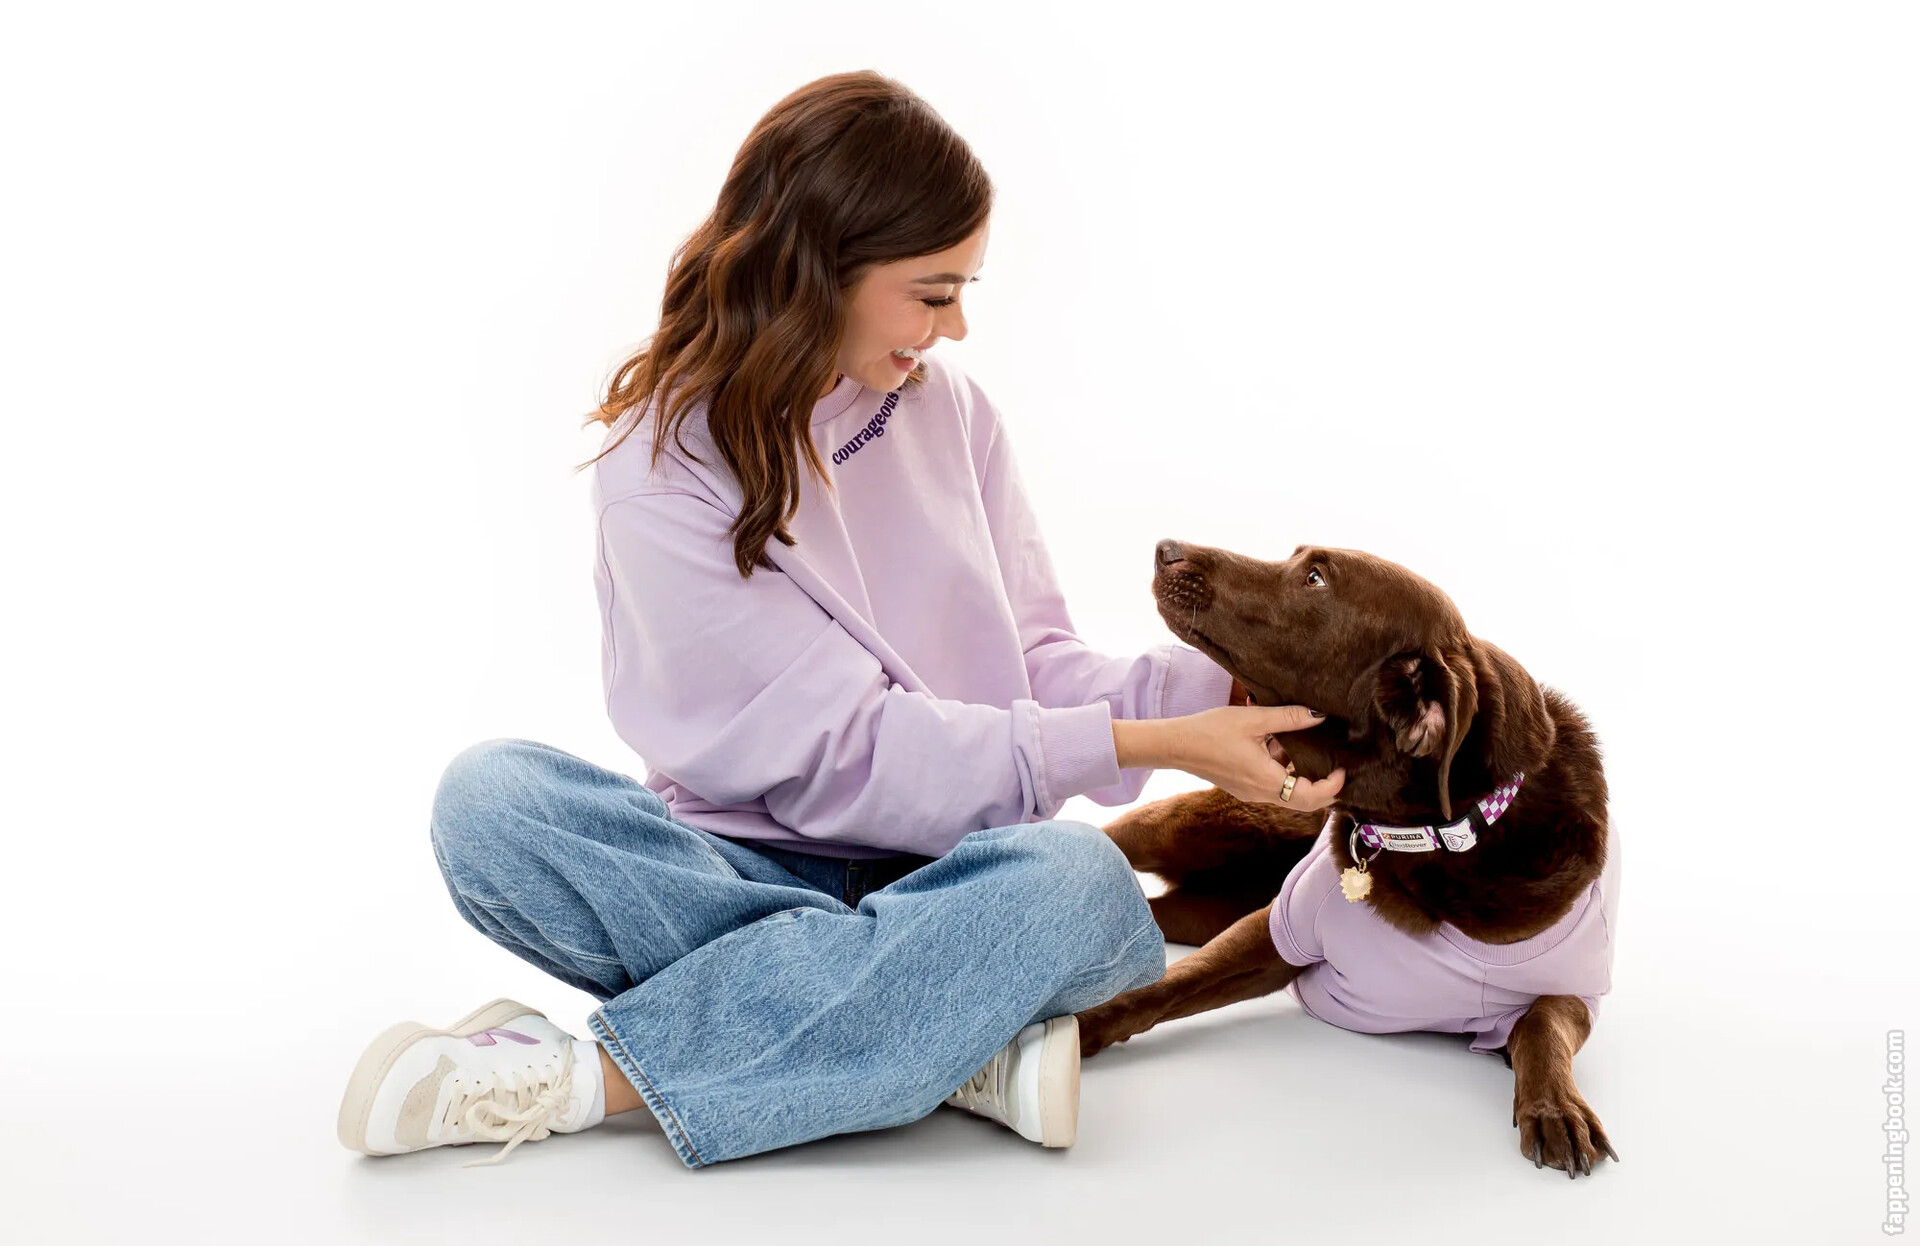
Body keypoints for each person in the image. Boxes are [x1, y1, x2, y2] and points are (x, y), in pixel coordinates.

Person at [335, 70, 1344, 1172]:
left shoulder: (949, 409)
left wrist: (1226, 692)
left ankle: (629, 1069)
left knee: (1077, 882)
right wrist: (1155, 746)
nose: (957, 326)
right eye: (932, 292)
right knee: (492, 801)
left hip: (960, 872)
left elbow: (1034, 661)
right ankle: (939, 1028)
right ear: (816, 271)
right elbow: (851, 759)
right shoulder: (662, 474)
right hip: (739, 867)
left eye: (963, 290)